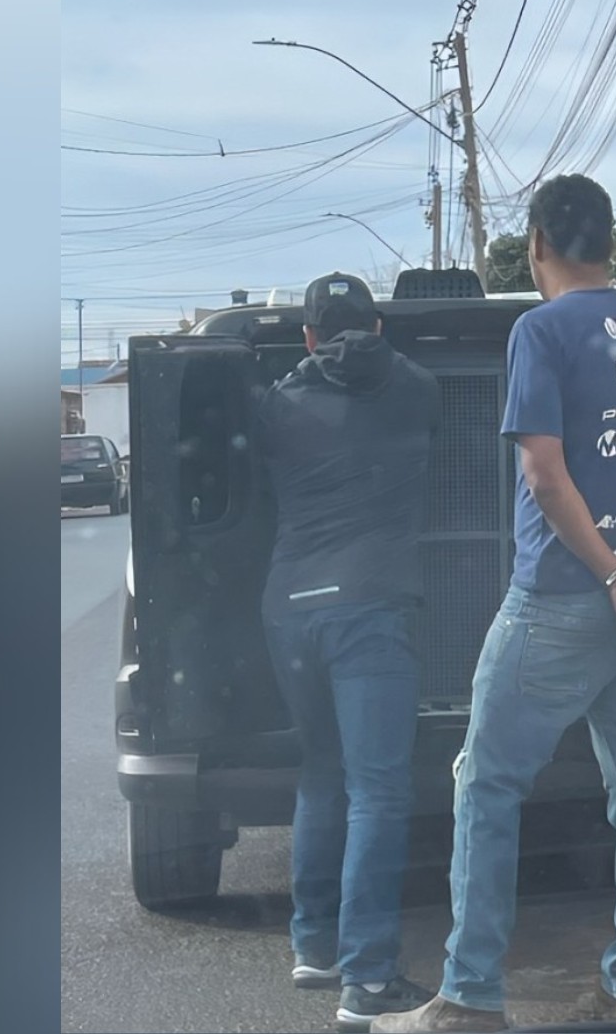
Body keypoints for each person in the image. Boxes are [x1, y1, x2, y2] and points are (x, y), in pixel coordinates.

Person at [373, 175, 616, 1034]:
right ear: (613, 242)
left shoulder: (540, 330)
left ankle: (470, 997)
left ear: (538, 246)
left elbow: (545, 476)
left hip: (563, 595)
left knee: (485, 785)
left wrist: (608, 578)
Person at [256, 272, 442, 1031]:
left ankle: (315, 946)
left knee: (321, 768)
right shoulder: (416, 390)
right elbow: (401, 386)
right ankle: (367, 980)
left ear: (306, 336)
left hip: (289, 610)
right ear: (379, 327)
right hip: (367, 606)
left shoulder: (276, 403)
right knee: (378, 789)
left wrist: (302, 369)